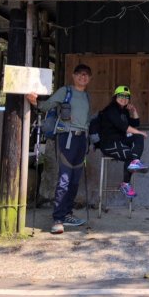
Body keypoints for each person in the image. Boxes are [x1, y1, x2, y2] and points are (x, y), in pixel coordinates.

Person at [27, 63, 92, 235]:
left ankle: (67, 214)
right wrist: (35, 102)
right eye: (79, 74)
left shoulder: (86, 96)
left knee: (75, 180)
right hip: (67, 138)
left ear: (89, 78)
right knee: (64, 178)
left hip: (81, 139)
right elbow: (46, 106)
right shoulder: (65, 91)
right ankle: (57, 219)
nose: (82, 77)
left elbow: (87, 121)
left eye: (86, 75)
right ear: (73, 75)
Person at [98, 85, 149, 198]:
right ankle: (126, 182)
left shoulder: (123, 111)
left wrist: (134, 110)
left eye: (127, 97)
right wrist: (139, 132)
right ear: (115, 97)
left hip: (120, 141)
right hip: (109, 144)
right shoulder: (111, 110)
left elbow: (135, 123)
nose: (124, 98)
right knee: (131, 155)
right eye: (121, 96)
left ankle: (127, 179)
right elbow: (124, 127)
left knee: (138, 139)